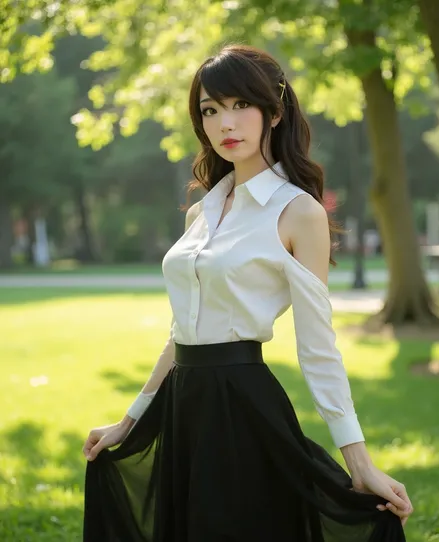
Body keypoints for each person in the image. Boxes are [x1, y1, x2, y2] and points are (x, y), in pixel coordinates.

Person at [82, 44, 413, 541]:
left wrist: (359, 461)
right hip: (183, 407)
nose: (224, 124)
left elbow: (318, 347)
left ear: (274, 113)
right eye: (210, 111)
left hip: (241, 408)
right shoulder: (202, 213)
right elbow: (183, 331)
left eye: (240, 105)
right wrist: (131, 419)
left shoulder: (298, 213)